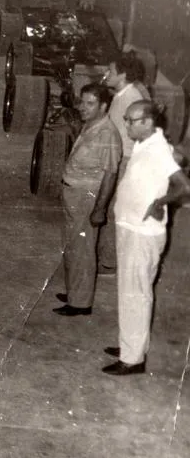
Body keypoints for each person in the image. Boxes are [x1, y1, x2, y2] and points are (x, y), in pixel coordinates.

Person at [102, 100, 190, 375]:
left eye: (131, 120)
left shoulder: (159, 150)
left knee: (136, 293)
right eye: (126, 119)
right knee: (129, 291)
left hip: (142, 233)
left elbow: (184, 186)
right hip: (130, 227)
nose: (125, 124)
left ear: (148, 123)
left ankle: (133, 359)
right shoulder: (145, 144)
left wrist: (159, 203)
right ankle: (130, 344)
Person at [54, 83, 121, 316]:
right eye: (82, 102)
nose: (83, 107)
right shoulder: (91, 125)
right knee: (73, 246)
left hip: (87, 198)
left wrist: (100, 208)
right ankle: (75, 291)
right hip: (74, 194)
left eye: (90, 103)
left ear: (104, 106)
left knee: (82, 249)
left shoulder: (107, 134)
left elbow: (110, 174)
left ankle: (80, 303)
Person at [96, 52, 151, 273]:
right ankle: (107, 258)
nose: (106, 73)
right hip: (121, 158)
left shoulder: (131, 99)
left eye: (111, 70)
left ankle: (110, 263)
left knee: (115, 212)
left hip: (127, 161)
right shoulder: (121, 95)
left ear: (123, 75)